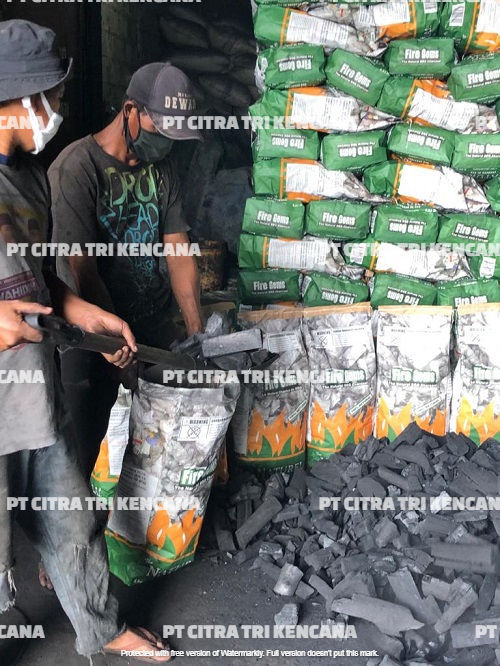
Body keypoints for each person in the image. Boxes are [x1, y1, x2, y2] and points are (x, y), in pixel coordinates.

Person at [0, 19, 169, 662]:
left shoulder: (29, 179)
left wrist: (90, 315)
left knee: (71, 517)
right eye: (54, 96)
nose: (60, 109)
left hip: (32, 397)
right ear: (18, 97)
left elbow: (39, 281)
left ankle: (101, 629)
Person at [48, 62, 204, 478]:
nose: (165, 144)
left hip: (151, 327)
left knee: (161, 456)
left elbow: (178, 252)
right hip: (90, 339)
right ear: (130, 111)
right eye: (159, 131)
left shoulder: (163, 169)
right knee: (84, 462)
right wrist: (116, 344)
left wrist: (196, 335)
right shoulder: (77, 169)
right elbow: (83, 270)